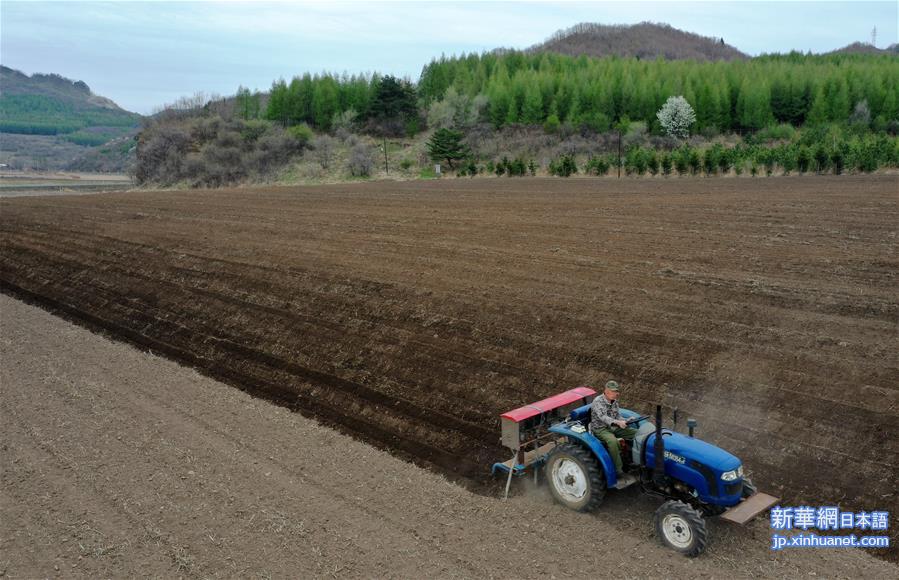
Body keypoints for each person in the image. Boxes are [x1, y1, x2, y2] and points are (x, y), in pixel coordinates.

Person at [590, 379, 637, 484]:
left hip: (612, 427)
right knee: (613, 441)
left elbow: (617, 416)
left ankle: (637, 459)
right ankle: (618, 470)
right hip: (600, 428)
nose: (616, 394)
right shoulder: (598, 401)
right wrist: (618, 422)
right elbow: (603, 417)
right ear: (606, 391)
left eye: (616, 391)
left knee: (637, 433)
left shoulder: (614, 402)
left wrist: (626, 420)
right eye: (614, 391)